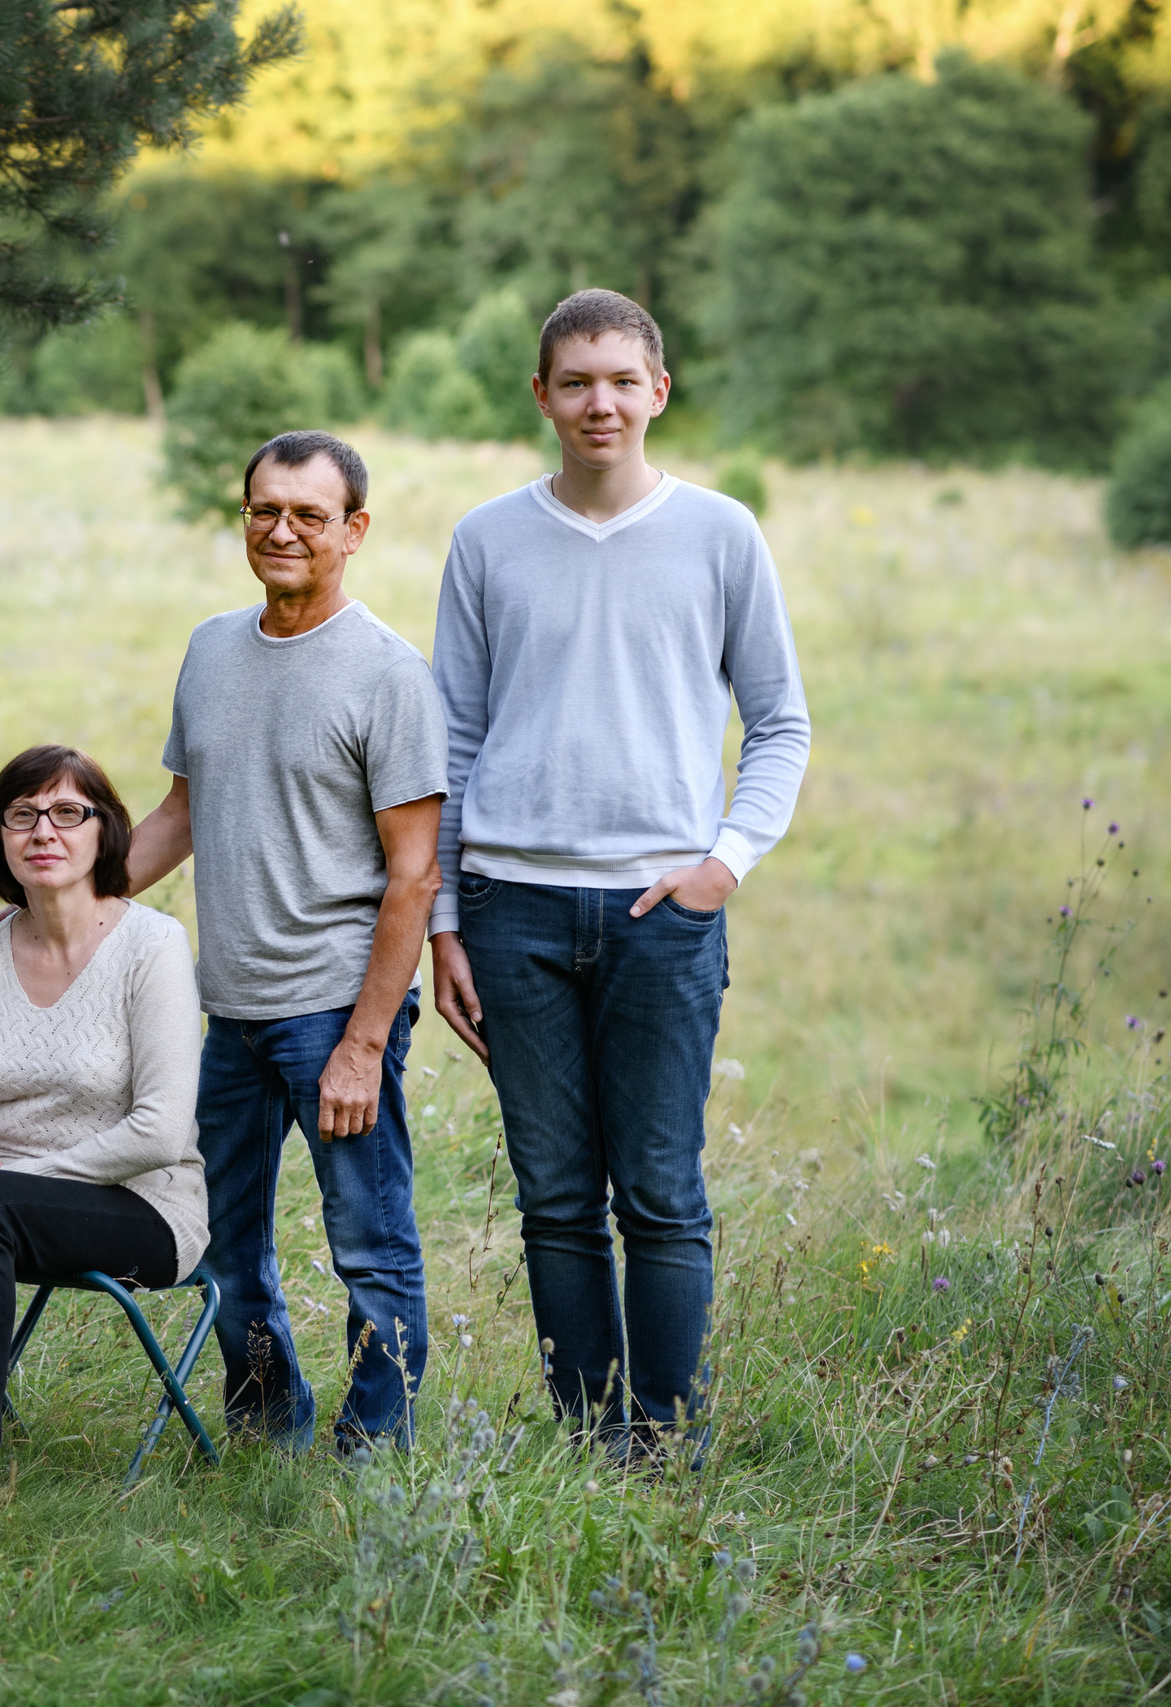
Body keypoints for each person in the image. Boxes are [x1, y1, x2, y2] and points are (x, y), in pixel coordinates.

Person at [428, 289, 810, 1459]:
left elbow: (780, 723)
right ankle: (588, 1437)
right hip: (512, 912)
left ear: (658, 390)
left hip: (662, 914)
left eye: (620, 380)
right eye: (575, 381)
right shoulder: (486, 539)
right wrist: (445, 919)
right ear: (542, 396)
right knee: (553, 1196)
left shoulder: (720, 533)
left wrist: (722, 865)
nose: (600, 402)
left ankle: (667, 1436)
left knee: (657, 1191)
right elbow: (448, 737)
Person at [122, 429, 448, 1454]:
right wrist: (68, 904)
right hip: (231, 1010)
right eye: (265, 509)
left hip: (333, 1013)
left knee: (369, 1246)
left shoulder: (389, 675)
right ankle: (268, 1426)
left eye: (309, 514)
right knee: (226, 1243)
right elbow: (179, 813)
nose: (283, 530)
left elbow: (415, 873)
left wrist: (362, 1041)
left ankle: (374, 1448)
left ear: (352, 531)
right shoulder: (212, 647)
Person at [0, 746, 208, 1534]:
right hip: (2, 1199)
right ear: (0, 839)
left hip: (145, 1206)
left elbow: (160, 1130)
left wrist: (7, 1170)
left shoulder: (151, 947)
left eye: (66, 812)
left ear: (104, 832)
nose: (43, 831)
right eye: (21, 815)